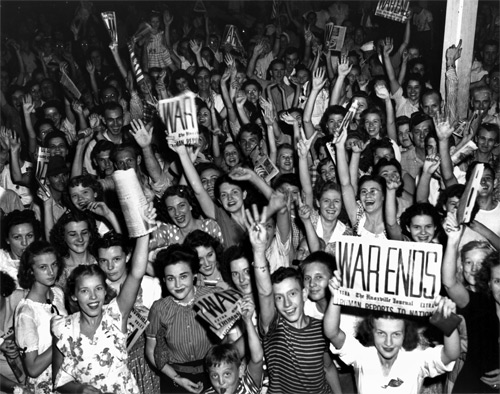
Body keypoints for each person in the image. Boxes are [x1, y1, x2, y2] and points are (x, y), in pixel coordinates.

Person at [51, 227, 151, 393]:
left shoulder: (115, 315)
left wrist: (144, 231)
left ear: (105, 291)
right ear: (74, 295)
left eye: (98, 288)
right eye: (84, 291)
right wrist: (79, 390)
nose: (93, 296)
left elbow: (136, 273)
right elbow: (59, 381)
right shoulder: (62, 328)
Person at [324, 273, 460, 394]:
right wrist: (335, 297)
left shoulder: (415, 359)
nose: (388, 342)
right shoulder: (362, 355)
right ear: (371, 331)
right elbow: (332, 333)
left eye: (396, 334)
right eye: (381, 333)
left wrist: (447, 319)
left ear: (405, 333)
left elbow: (451, 354)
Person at [247, 206, 333, 394]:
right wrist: (259, 251)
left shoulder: (321, 327)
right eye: (279, 297)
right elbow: (264, 293)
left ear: (304, 294)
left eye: (292, 294)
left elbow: (327, 368)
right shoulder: (274, 327)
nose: (286, 304)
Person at [95, 231, 161, 394]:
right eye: (104, 261)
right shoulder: (95, 293)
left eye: (116, 259)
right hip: (114, 370)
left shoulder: (151, 285)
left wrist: (154, 321)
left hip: (148, 364)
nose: (110, 267)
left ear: (128, 256)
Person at [146, 244, 218, 393]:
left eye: (183, 276)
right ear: (164, 280)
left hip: (214, 374)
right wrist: (177, 378)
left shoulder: (213, 297)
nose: (178, 284)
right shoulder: (159, 309)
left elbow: (231, 340)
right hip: (175, 379)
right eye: (171, 278)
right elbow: (151, 350)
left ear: (195, 275)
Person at [441, 213, 500, 393]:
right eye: (497, 281)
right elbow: (449, 283)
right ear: (488, 281)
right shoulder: (480, 305)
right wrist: (452, 240)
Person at [15, 241, 67, 394]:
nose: (51, 272)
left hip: (65, 377)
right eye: (43, 267)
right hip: (44, 386)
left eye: (54, 264)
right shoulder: (26, 312)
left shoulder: (57, 293)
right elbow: (32, 368)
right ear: (31, 271)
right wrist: (64, 338)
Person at [203, 296, 264, 394]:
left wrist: (248, 321)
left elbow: (257, 358)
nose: (221, 382)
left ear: (240, 370)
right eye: (215, 375)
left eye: (227, 374)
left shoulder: (247, 388)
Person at [50, 210, 99, 290]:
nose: (80, 239)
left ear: (90, 234)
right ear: (63, 237)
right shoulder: (58, 270)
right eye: (73, 234)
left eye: (84, 233)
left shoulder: (101, 261)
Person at [0, 209, 41, 288]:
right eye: (17, 237)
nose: (25, 243)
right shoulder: (1, 260)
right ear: (7, 239)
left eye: (29, 236)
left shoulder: (42, 260)